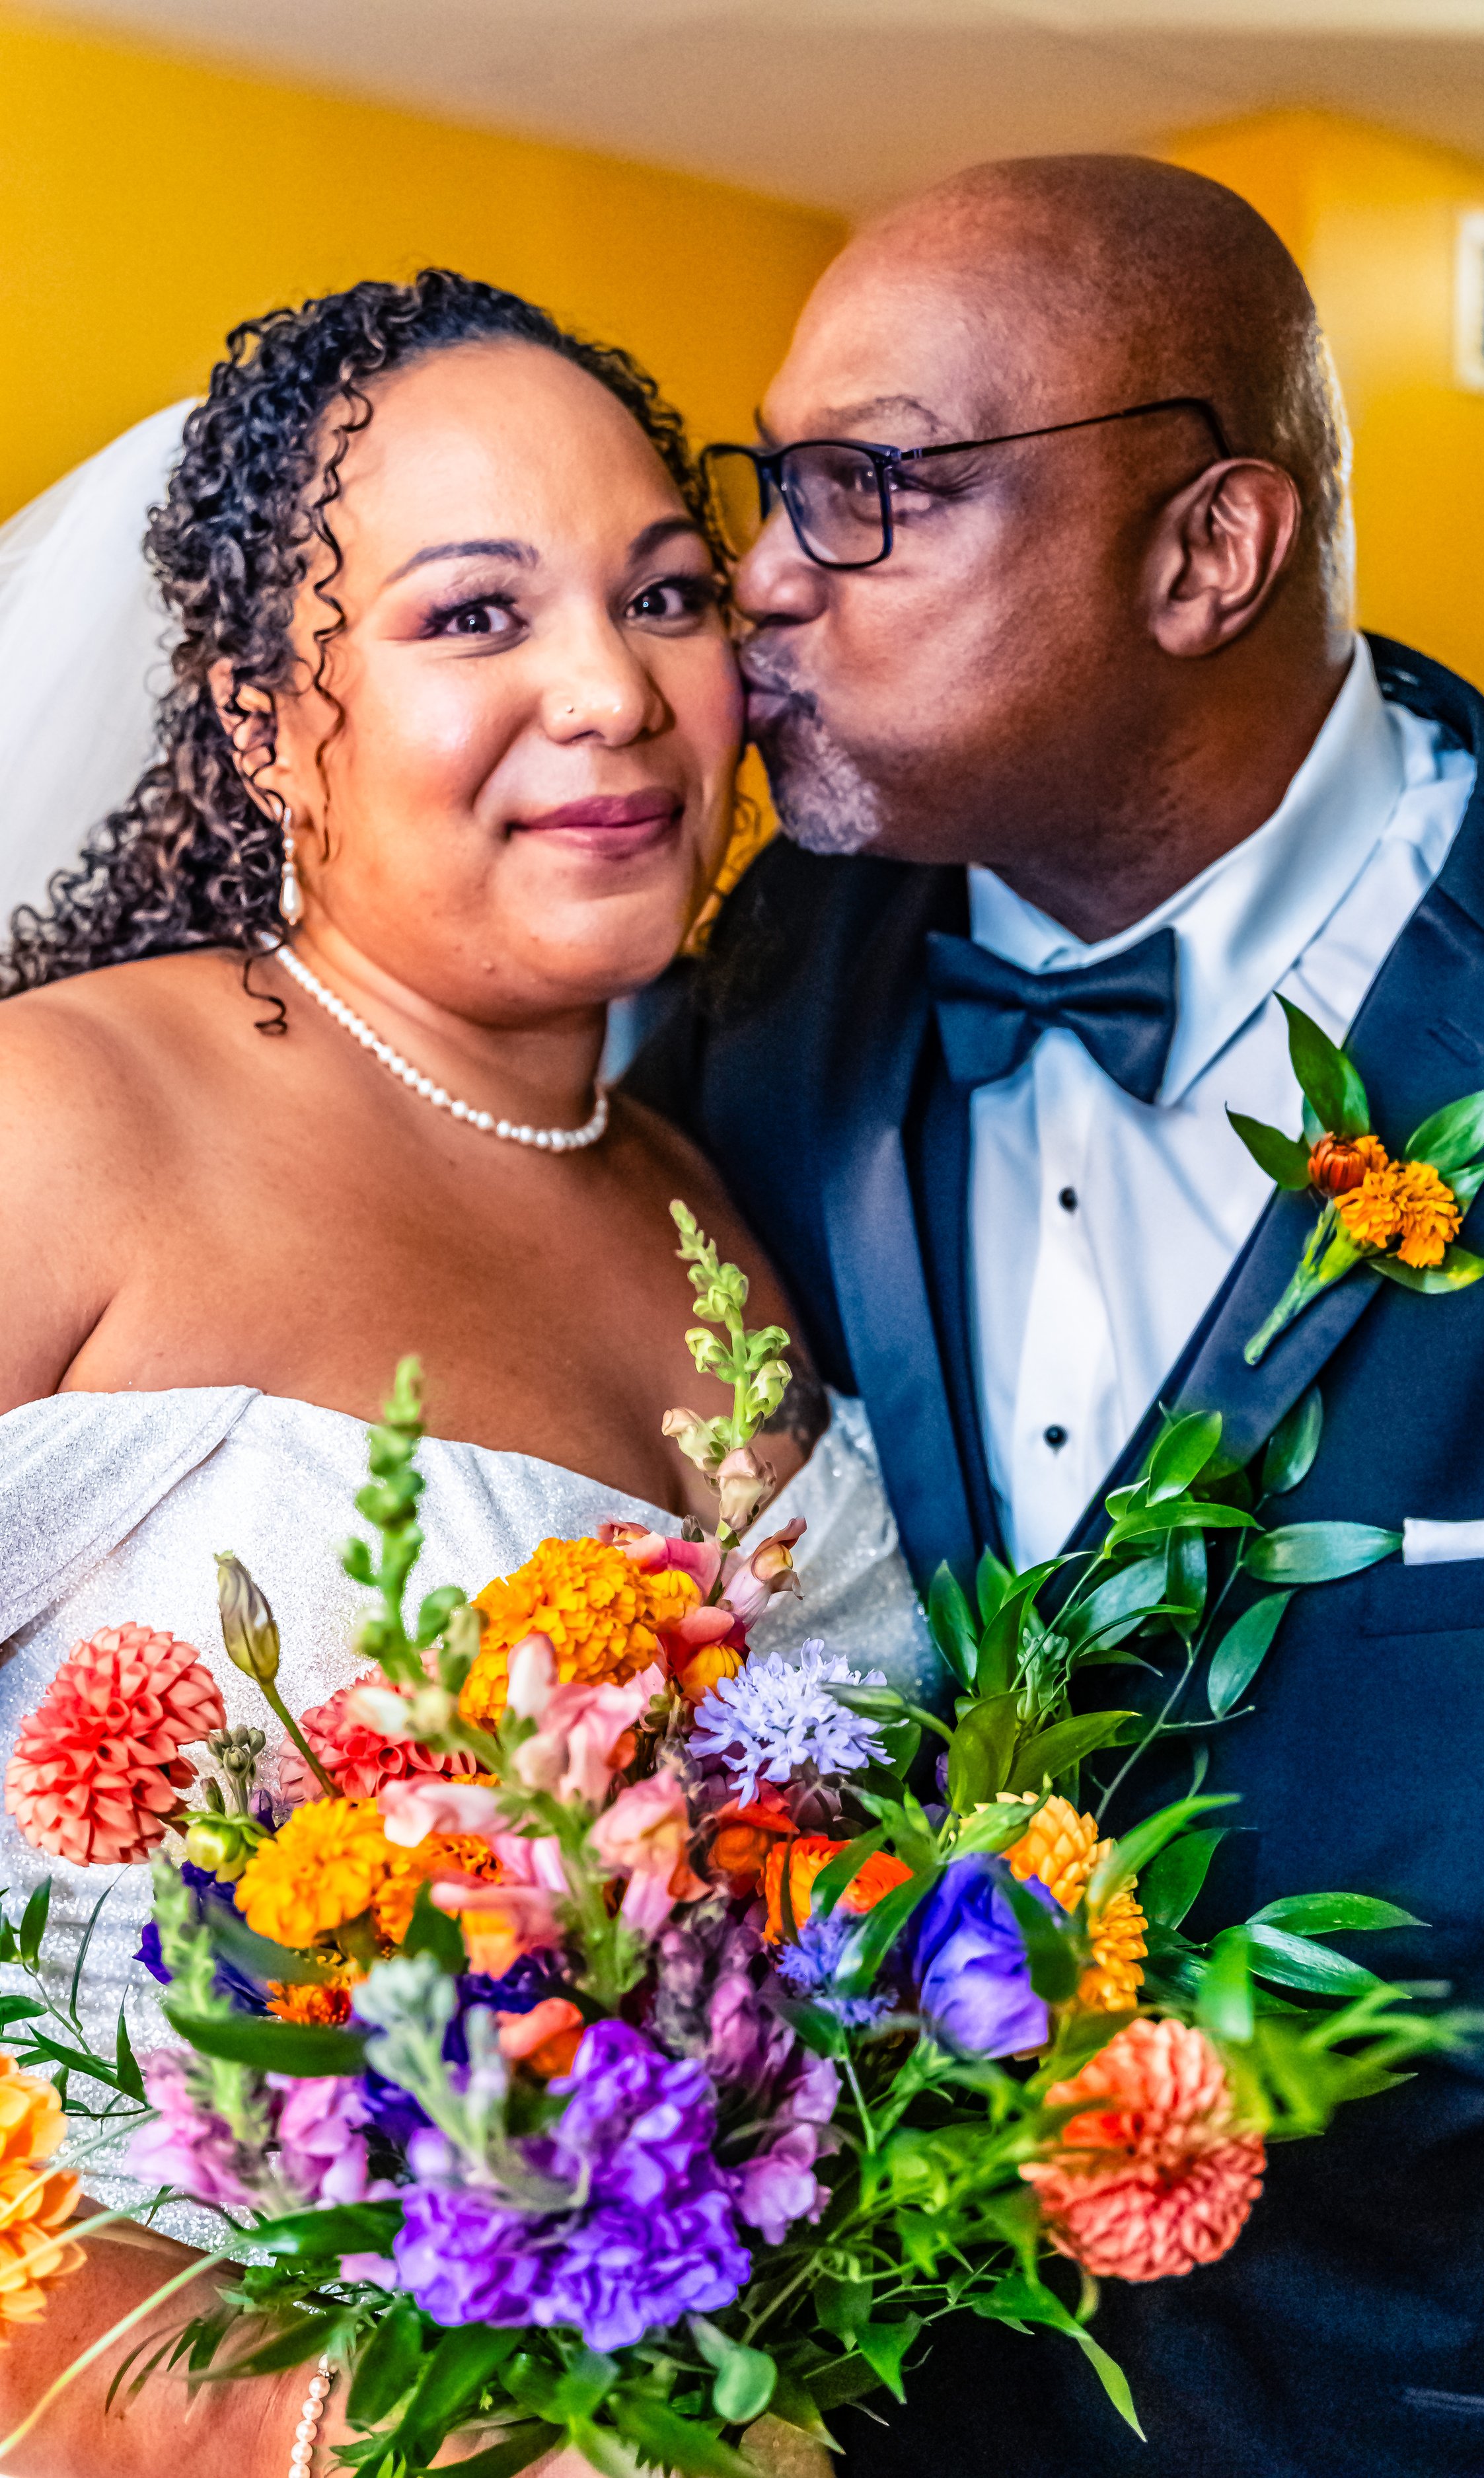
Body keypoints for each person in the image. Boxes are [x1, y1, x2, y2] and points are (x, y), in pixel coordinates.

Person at [630, 156, 1484, 2477]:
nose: (764, 579)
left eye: (874, 488)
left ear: (1207, 551)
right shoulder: (751, 1008)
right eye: (773, 484)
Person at [0, 269, 929, 2478]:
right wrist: (254, 2415)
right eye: (473, 615)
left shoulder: (712, 1203)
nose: (610, 693)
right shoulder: (62, 1121)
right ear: (259, 719)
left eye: (666, 595)